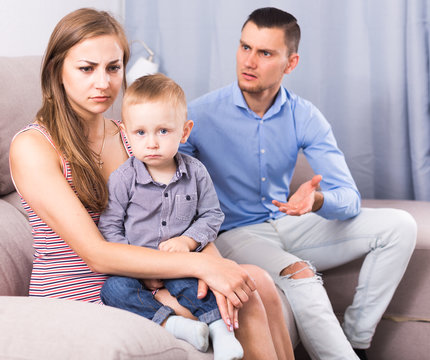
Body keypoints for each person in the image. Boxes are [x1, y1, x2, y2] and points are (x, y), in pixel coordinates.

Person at [9, 8, 294, 360]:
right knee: (246, 301)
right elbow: (97, 255)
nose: (104, 83)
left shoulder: (133, 138)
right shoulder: (34, 146)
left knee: (256, 283)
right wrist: (200, 267)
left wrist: (216, 268)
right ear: (57, 70)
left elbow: (186, 217)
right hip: (88, 294)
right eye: (87, 68)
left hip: (153, 278)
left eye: (113, 68)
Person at [179, 6, 417, 360]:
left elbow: (348, 197)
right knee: (301, 275)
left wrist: (317, 202)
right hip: (235, 234)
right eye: (245, 47)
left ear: (290, 63)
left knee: (400, 226)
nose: (249, 61)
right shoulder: (199, 114)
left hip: (288, 222)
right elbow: (164, 179)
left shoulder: (304, 115)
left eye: (265, 53)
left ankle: (355, 340)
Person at [98, 74, 243, 359]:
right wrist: (137, 267)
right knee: (113, 290)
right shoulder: (123, 179)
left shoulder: (196, 172)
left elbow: (212, 215)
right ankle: (173, 324)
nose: (151, 143)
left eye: (163, 131)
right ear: (126, 133)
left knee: (196, 288)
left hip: (181, 264)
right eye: (141, 133)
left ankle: (221, 331)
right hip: (137, 268)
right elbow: (110, 226)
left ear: (184, 132)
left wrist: (188, 241)